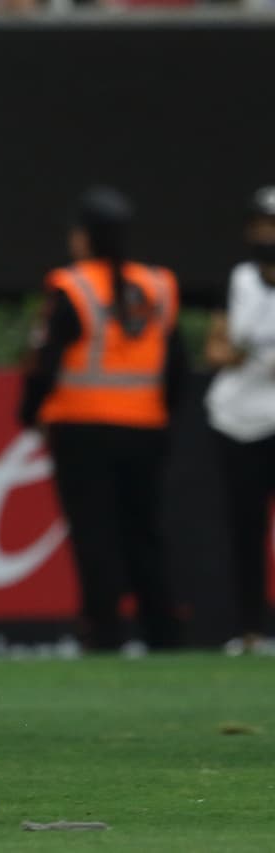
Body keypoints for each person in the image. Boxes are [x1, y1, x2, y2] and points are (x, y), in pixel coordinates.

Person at [19, 186, 188, 652]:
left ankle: (104, 630)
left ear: (84, 237)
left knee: (95, 533)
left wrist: (29, 413)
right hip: (146, 428)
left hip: (82, 428)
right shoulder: (159, 285)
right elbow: (177, 364)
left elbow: (45, 362)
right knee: (145, 532)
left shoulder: (73, 287)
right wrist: (162, 415)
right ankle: (163, 630)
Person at [203, 185, 275, 656]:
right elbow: (216, 348)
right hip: (238, 420)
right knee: (246, 529)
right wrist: (238, 352)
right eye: (261, 224)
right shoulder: (240, 280)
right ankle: (250, 632)